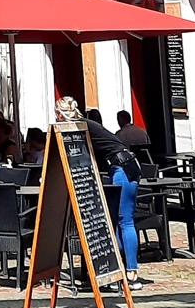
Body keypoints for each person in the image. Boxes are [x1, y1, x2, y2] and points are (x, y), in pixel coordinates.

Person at [62, 96, 146, 293]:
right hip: (123, 166)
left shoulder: (79, 127)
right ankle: (118, 268)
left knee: (125, 220)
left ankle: (132, 273)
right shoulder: (84, 125)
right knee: (116, 220)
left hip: (122, 167)